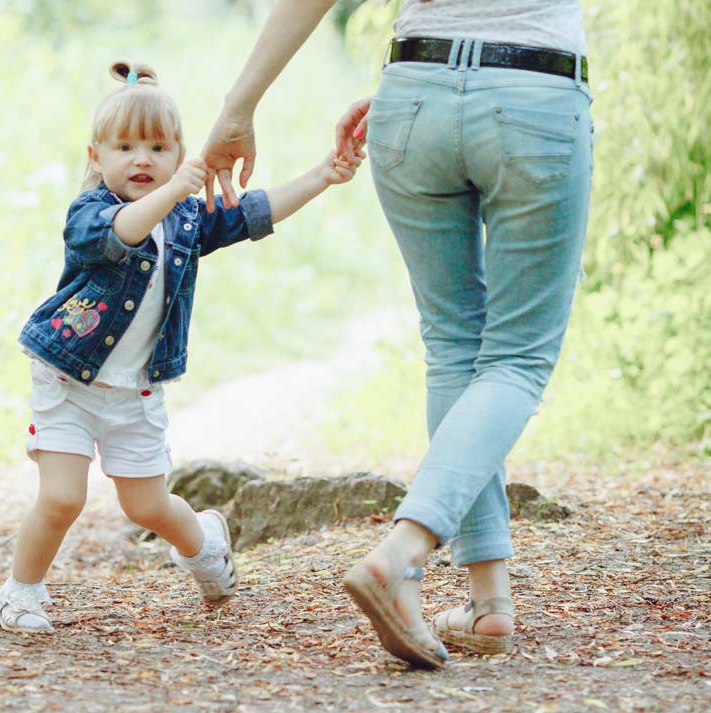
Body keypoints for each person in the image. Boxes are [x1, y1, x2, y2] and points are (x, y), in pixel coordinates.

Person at [203, 0, 592, 669]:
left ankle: (489, 603)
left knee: (453, 346)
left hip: (414, 94)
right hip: (536, 94)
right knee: (516, 358)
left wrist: (239, 105)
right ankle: (403, 553)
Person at [0, 60, 362, 634]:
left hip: (135, 391)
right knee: (62, 499)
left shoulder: (187, 216)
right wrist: (172, 192)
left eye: (159, 147)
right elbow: (123, 233)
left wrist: (324, 174)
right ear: (97, 157)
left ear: (179, 153)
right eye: (126, 147)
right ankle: (22, 592)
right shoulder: (91, 213)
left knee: (146, 507)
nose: (142, 159)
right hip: (67, 379)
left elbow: (251, 214)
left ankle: (205, 546)